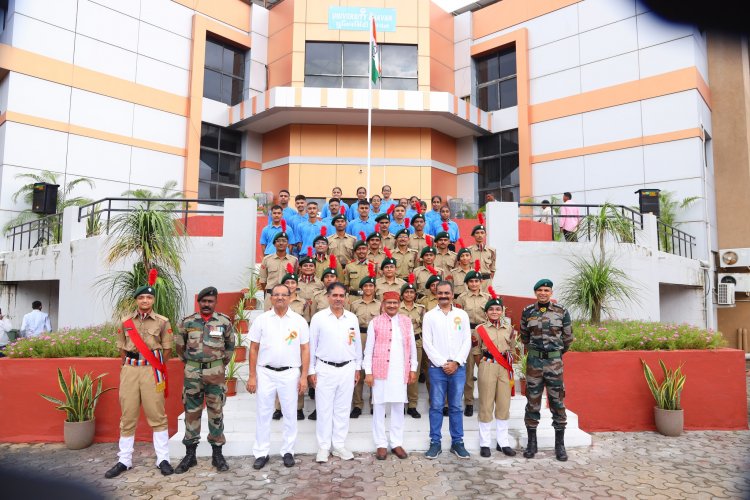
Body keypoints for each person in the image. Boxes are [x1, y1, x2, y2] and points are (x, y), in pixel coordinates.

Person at [105, 271, 173, 478]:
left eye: (149, 297)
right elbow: (121, 348)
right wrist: (131, 364)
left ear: (153, 300)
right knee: (128, 415)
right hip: (130, 371)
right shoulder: (125, 321)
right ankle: (124, 460)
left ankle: (163, 459)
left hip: (152, 371)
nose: (145, 300)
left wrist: (152, 363)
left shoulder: (162, 321)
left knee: (157, 415)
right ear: (136, 300)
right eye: (141, 297)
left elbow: (167, 349)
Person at [247, 284, 310, 469]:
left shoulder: (299, 321)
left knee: (290, 413)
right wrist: (252, 376)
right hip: (265, 372)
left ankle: (288, 451)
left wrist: (304, 376)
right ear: (271, 298)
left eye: (284, 295)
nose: (280, 298)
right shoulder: (262, 320)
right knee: (263, 413)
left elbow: (305, 349)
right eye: (276, 295)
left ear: (291, 297)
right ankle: (261, 452)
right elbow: (253, 348)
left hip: (290, 372)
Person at [174, 286, 234, 474]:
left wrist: (217, 364)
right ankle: (190, 455)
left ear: (215, 302)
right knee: (191, 412)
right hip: (192, 373)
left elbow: (230, 347)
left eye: (210, 301)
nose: (207, 304)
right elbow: (179, 347)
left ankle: (217, 454)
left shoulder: (224, 321)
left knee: (216, 412)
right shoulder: (188, 322)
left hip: (215, 372)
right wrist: (193, 363)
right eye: (203, 301)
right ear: (198, 302)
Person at [520, 279, 574, 461]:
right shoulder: (527, 312)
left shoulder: (561, 312)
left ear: (551, 293)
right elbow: (524, 337)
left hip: (554, 364)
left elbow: (567, 338)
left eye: (546, 290)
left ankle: (560, 446)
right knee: (532, 402)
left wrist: (555, 355)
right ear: (535, 292)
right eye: (540, 290)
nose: (543, 293)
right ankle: (531, 444)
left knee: (557, 402)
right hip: (534, 363)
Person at [308, 282, 363, 463]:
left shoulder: (352, 318)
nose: (338, 299)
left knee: (342, 409)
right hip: (324, 368)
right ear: (328, 297)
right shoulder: (319, 318)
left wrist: (357, 367)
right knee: (324, 409)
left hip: (347, 368)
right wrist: (311, 370)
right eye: (335, 295)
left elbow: (357, 345)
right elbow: (311, 346)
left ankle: (339, 445)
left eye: (341, 296)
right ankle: (324, 447)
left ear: (346, 298)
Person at [363, 291, 418, 460]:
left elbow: (412, 348)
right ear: (383, 304)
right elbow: (369, 349)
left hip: (399, 370)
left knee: (398, 408)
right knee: (379, 407)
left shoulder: (406, 322)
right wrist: (368, 372)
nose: (392, 306)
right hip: (380, 370)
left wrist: (413, 368)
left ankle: (396, 443)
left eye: (395, 303)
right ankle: (380, 444)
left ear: (399, 303)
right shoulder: (375, 322)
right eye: (389, 303)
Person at [422, 281, 472, 459]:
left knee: (456, 406)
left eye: (446, 293)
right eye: (440, 293)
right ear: (436, 294)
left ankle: (457, 442)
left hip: (458, 368)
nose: (443, 296)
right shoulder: (429, 316)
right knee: (436, 406)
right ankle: (435, 442)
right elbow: (427, 343)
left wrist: (456, 362)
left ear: (452, 294)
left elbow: (467, 340)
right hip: (437, 369)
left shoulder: (462, 314)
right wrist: (443, 363)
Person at [474, 289, 516, 458]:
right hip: (488, 365)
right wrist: (484, 366)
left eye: (498, 309)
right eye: (491, 309)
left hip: (504, 368)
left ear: (502, 311)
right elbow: (476, 351)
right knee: (485, 404)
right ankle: (484, 443)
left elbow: (512, 349)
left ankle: (503, 442)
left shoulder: (509, 329)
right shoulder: (480, 329)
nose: (495, 312)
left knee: (504, 405)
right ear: (486, 312)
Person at [270, 267, 311, 421]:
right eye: (288, 282)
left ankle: (298, 408)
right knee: (278, 374)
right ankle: (278, 407)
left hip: (296, 341)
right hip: (279, 341)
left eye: (293, 282)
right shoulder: (276, 300)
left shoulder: (304, 302)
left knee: (297, 375)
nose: (291, 285)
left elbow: (306, 321)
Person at [454, 265, 490, 417]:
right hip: (468, 333)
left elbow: (493, 315)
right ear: (467, 283)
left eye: (477, 281)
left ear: (481, 282)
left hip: (484, 333)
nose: (474, 284)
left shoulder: (488, 298)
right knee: (468, 370)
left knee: (485, 369)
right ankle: (468, 402)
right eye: (471, 281)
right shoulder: (461, 298)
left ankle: (485, 402)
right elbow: (457, 319)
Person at [348, 266, 381, 418]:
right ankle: (357, 404)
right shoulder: (354, 305)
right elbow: (349, 325)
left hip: (376, 337)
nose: (368, 288)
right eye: (365, 286)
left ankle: (375, 402)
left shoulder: (380, 305)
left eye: (371, 286)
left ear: (375, 288)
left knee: (374, 370)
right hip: (359, 337)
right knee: (358, 370)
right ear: (361, 288)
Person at [399, 275, 425, 418]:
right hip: (400, 344)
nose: (409, 295)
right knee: (400, 373)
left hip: (416, 343)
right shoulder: (397, 308)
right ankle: (400, 403)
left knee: (413, 373)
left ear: (415, 294)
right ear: (402, 294)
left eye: (412, 292)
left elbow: (424, 327)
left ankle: (412, 405)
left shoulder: (421, 309)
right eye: (406, 292)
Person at [470, 214, 496, 292]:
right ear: (473, 235)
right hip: (473, 282)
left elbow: (492, 268)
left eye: (482, 233)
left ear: (485, 235)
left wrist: (489, 280)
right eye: (477, 233)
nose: (480, 235)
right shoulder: (468, 250)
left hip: (487, 282)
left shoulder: (491, 251)